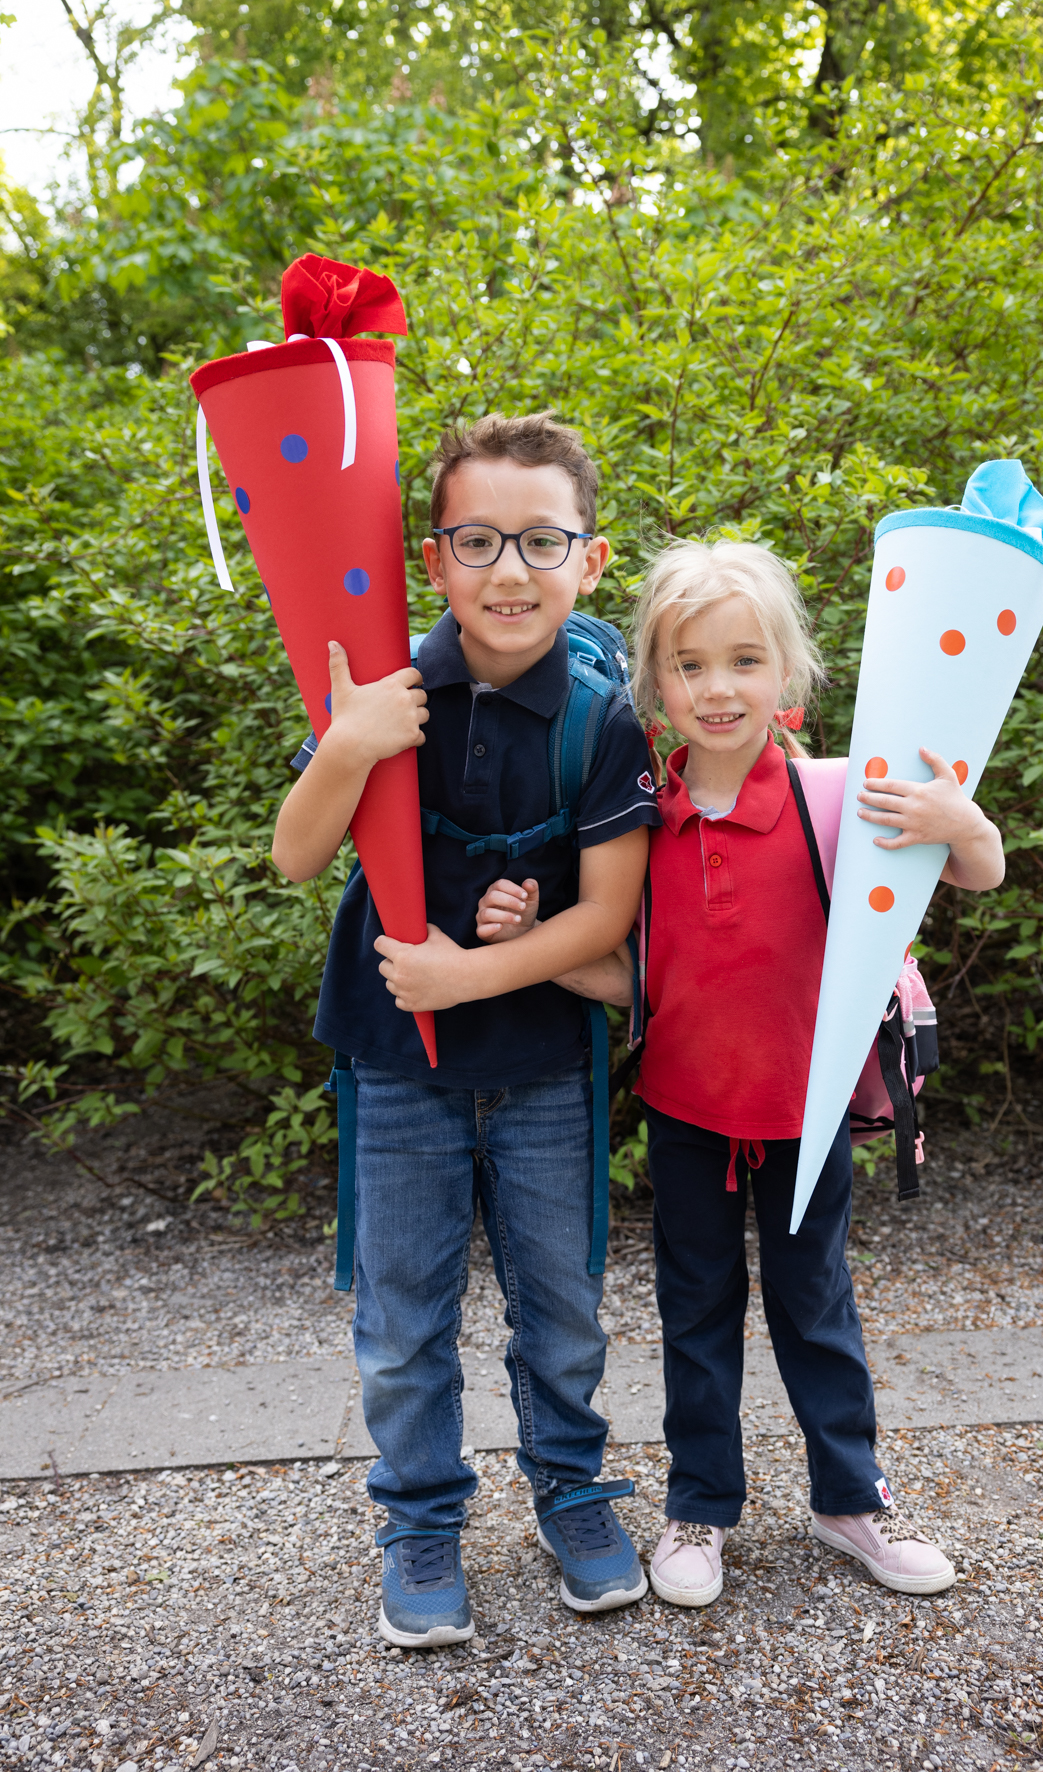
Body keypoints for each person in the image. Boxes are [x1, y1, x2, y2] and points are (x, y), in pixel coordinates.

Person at [476, 538, 1005, 1606]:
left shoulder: (838, 795)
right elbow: (634, 975)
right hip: (688, 1113)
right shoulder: (640, 823)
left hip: (806, 1116)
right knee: (697, 1313)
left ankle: (850, 1499)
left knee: (817, 1307)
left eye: (745, 660)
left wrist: (961, 821)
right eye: (690, 664)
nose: (719, 687)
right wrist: (514, 942)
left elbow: (976, 869)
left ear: (789, 673)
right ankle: (700, 1507)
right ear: (655, 685)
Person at [272, 412, 661, 1647]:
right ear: (431, 558)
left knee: (563, 1304)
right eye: (479, 539)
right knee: (400, 1315)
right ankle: (421, 1517)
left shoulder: (601, 717)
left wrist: (474, 971)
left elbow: (612, 913)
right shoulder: (387, 685)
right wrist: (350, 743)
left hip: (544, 1063)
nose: (510, 569)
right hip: (396, 1065)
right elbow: (296, 855)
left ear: (589, 562)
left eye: (542, 541)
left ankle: (574, 1492)